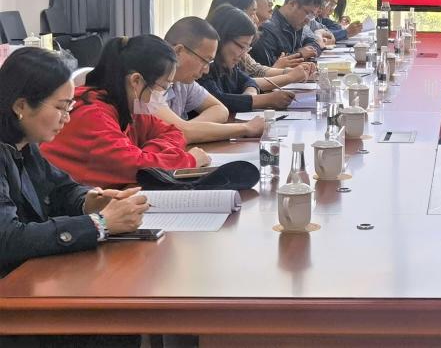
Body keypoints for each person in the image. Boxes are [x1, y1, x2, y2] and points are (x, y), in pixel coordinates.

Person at [0, 48, 150, 277]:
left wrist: (89, 202)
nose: (67, 118)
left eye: (69, 107)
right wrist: (99, 224)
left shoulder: (24, 143)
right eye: (60, 108)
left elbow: (60, 188)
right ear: (21, 106)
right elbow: (7, 239)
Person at [40, 36, 208, 187]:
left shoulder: (128, 108)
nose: (164, 94)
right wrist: (189, 160)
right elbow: (137, 167)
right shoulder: (92, 115)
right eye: (163, 87)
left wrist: (147, 153)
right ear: (136, 81)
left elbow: (173, 132)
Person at [157, 17, 266, 143]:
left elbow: (220, 110)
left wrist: (189, 128)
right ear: (178, 52)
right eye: (204, 61)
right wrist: (246, 128)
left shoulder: (182, 80)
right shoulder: (149, 82)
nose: (206, 70)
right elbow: (181, 133)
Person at [207, 0, 317, 82]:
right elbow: (240, 87)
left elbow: (255, 71)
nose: (256, 19)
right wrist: (288, 74)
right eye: (252, 13)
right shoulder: (213, 53)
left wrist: (292, 72)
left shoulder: (295, 25)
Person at [199, 5, 296, 113]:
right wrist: (265, 100)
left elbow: (248, 80)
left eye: (247, 48)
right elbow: (217, 100)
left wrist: (250, 93)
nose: (244, 55)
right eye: (241, 47)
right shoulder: (203, 67)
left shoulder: (228, 65)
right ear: (222, 39)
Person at [225, 0, 305, 70]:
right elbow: (251, 77)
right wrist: (279, 68)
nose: (271, 3)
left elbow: (258, 72)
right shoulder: (259, 34)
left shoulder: (262, 30)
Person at [250, 0, 324, 67]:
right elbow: (266, 68)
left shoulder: (298, 25)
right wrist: (299, 54)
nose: (308, 20)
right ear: (293, 4)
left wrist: (307, 51)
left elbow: (314, 44)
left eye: (312, 16)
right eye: (308, 13)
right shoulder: (266, 29)